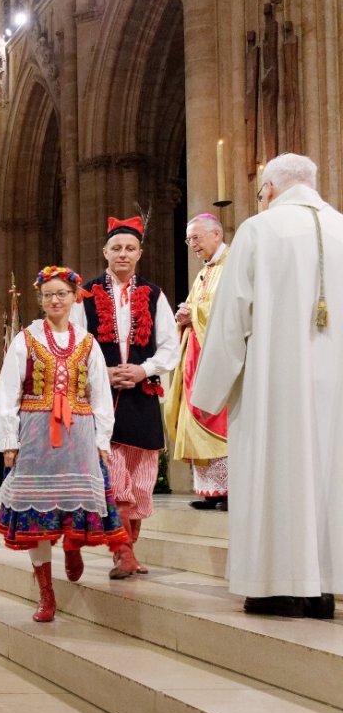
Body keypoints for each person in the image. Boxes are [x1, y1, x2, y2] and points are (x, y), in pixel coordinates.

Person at [192, 152, 343, 619]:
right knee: (328, 475)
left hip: (274, 382)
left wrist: (208, 392)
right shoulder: (342, 228)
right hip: (334, 382)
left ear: (270, 189)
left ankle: (278, 586)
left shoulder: (258, 230)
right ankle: (324, 588)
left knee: (276, 473)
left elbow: (231, 317)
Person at [0, 267, 129, 622]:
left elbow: (100, 394)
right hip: (37, 435)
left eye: (62, 294)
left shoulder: (87, 342)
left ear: (74, 297)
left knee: (77, 502)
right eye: (49, 294)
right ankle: (46, 593)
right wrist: (9, 440)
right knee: (36, 514)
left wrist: (102, 439)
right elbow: (7, 391)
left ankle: (73, 544)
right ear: (40, 299)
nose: (55, 300)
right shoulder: (26, 338)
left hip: (79, 433)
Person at [72, 215, 180, 576]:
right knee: (113, 476)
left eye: (129, 248)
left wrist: (143, 370)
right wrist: (103, 373)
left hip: (141, 395)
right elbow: (75, 345)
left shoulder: (154, 294)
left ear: (140, 254)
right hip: (101, 398)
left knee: (140, 480)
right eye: (116, 248)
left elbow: (170, 347)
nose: (123, 254)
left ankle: (129, 548)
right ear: (105, 252)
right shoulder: (85, 294)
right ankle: (121, 552)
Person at [166, 213, 231, 510]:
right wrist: (185, 313)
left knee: (219, 420)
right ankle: (212, 491)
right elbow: (196, 304)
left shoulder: (232, 265)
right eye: (188, 239)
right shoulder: (205, 270)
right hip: (195, 355)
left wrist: (195, 314)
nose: (191, 244)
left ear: (216, 235)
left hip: (218, 359)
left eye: (196, 238)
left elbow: (232, 310)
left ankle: (231, 490)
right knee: (195, 416)